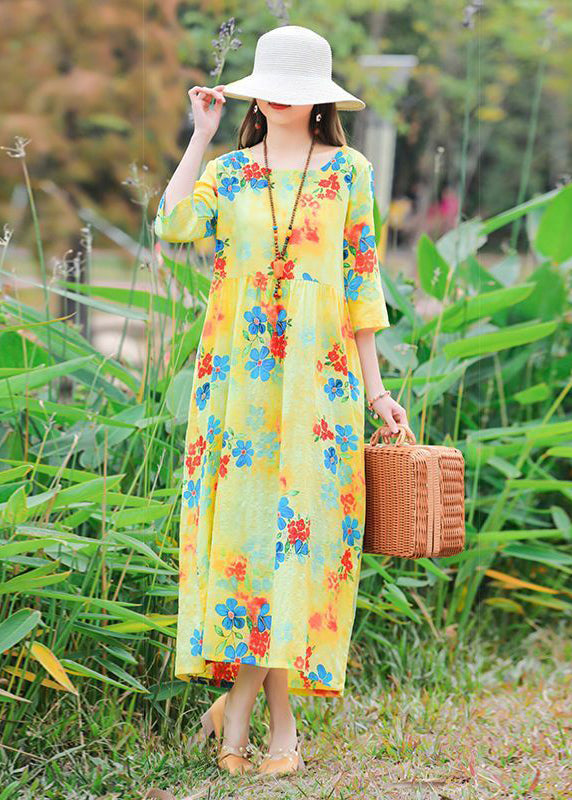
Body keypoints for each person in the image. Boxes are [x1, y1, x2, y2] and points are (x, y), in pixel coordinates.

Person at [154, 24, 409, 777]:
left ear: (320, 99)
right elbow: (172, 224)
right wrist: (201, 136)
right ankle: (277, 729)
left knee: (301, 545)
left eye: (295, 90)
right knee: (247, 543)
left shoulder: (350, 171)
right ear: (255, 94)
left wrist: (377, 390)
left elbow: (362, 286)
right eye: (270, 88)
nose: (279, 100)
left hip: (320, 390)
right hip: (236, 388)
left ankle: (239, 712)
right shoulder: (229, 172)